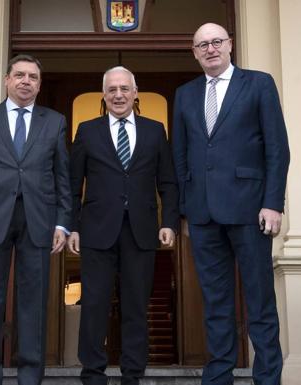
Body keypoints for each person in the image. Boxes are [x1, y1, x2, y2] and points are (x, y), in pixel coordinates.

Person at [172, 23, 290, 385]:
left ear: (230, 45)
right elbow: (180, 155)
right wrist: (185, 210)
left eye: (216, 42)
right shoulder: (185, 94)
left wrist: (273, 203)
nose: (210, 49)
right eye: (202, 44)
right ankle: (218, 377)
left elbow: (277, 149)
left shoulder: (259, 83)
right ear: (194, 53)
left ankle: (267, 378)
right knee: (215, 303)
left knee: (260, 302)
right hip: (204, 215)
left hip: (251, 210)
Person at [0, 54, 71, 385]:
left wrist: (62, 223)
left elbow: (62, 177)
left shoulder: (54, 121)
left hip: (39, 220)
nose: (26, 81)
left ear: (39, 84)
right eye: (19, 75)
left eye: (33, 77)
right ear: (7, 80)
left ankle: (29, 379)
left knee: (33, 305)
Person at [67, 66, 178, 385]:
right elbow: (74, 184)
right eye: (112, 89)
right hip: (96, 230)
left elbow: (168, 182)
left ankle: (133, 374)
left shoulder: (156, 130)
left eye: (124, 89)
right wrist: (72, 226)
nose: (118, 94)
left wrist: (168, 221)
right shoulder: (87, 131)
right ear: (104, 94)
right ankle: (92, 374)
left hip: (141, 230)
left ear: (135, 92)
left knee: (135, 307)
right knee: (94, 306)